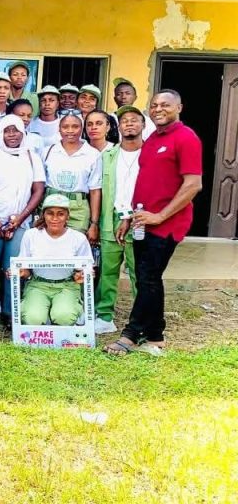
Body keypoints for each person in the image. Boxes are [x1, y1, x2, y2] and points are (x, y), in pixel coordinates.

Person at [107, 90, 203, 356]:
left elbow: (193, 184)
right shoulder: (151, 140)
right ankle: (155, 335)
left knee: (148, 277)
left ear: (179, 107)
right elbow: (145, 182)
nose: (158, 109)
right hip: (141, 222)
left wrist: (160, 216)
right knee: (150, 278)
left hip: (166, 225)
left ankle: (130, 334)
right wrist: (129, 216)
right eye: (154, 105)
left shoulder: (186, 138)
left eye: (166, 105)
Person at [0, 116, 46, 318]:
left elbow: (38, 190)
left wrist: (20, 220)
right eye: (7, 130)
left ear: (23, 132)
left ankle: (10, 312)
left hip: (20, 223)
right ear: (1, 133)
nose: (12, 135)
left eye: (16, 130)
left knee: (13, 269)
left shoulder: (32, 157)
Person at [94, 106, 144, 335]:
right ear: (119, 127)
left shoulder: (150, 154)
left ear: (143, 125)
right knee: (108, 270)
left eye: (135, 120)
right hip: (110, 217)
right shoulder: (108, 155)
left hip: (140, 218)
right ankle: (105, 316)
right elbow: (97, 189)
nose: (129, 124)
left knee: (139, 272)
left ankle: (142, 318)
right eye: (125, 121)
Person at [13, 194, 94, 326]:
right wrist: (20, 272)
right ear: (43, 214)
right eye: (50, 213)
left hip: (66, 286)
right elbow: (26, 270)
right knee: (33, 319)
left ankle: (63, 311)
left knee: (64, 318)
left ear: (68, 216)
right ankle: (45, 314)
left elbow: (83, 271)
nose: (55, 218)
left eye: (60, 214)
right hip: (38, 285)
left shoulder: (78, 238)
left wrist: (83, 275)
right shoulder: (31, 235)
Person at [42, 114, 102, 240]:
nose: (70, 131)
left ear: (82, 129)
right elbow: (40, 185)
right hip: (51, 205)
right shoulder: (48, 151)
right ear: (59, 129)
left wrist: (94, 223)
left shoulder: (92, 154)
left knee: (75, 249)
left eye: (75, 127)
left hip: (78, 208)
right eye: (65, 127)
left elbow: (95, 191)